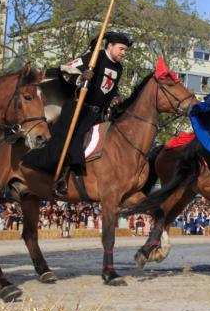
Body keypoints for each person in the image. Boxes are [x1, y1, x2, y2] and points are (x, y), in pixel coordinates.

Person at [22, 31, 131, 195]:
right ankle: (59, 178)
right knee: (72, 140)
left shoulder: (119, 68)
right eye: (121, 49)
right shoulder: (94, 57)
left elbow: (110, 88)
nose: (123, 53)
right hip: (79, 109)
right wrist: (80, 79)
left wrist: (115, 97)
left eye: (125, 50)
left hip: (98, 114)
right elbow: (65, 70)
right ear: (110, 46)